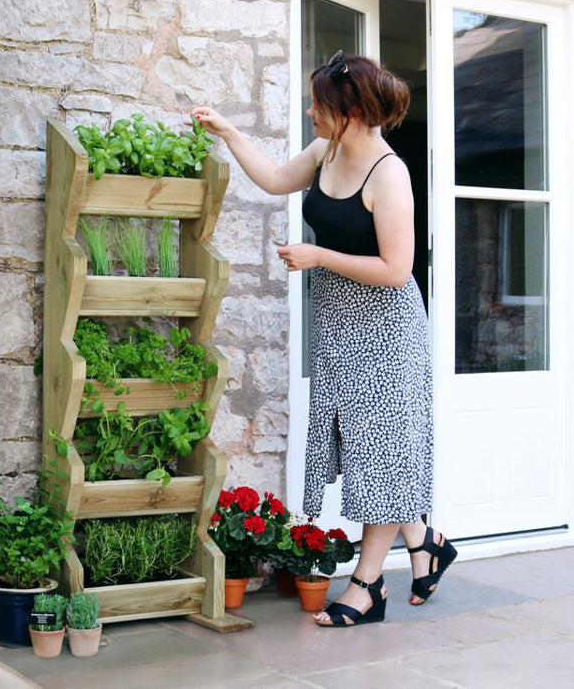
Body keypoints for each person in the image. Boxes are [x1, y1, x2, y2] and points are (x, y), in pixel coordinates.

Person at [192, 50, 456, 628]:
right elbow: (272, 178)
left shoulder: (389, 173)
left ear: (352, 111)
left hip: (386, 329)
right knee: (365, 449)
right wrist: (230, 130)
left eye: (320, 105)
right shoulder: (325, 151)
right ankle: (424, 540)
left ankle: (366, 586)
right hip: (339, 325)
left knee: (380, 456)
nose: (311, 113)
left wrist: (317, 258)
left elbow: (396, 268)